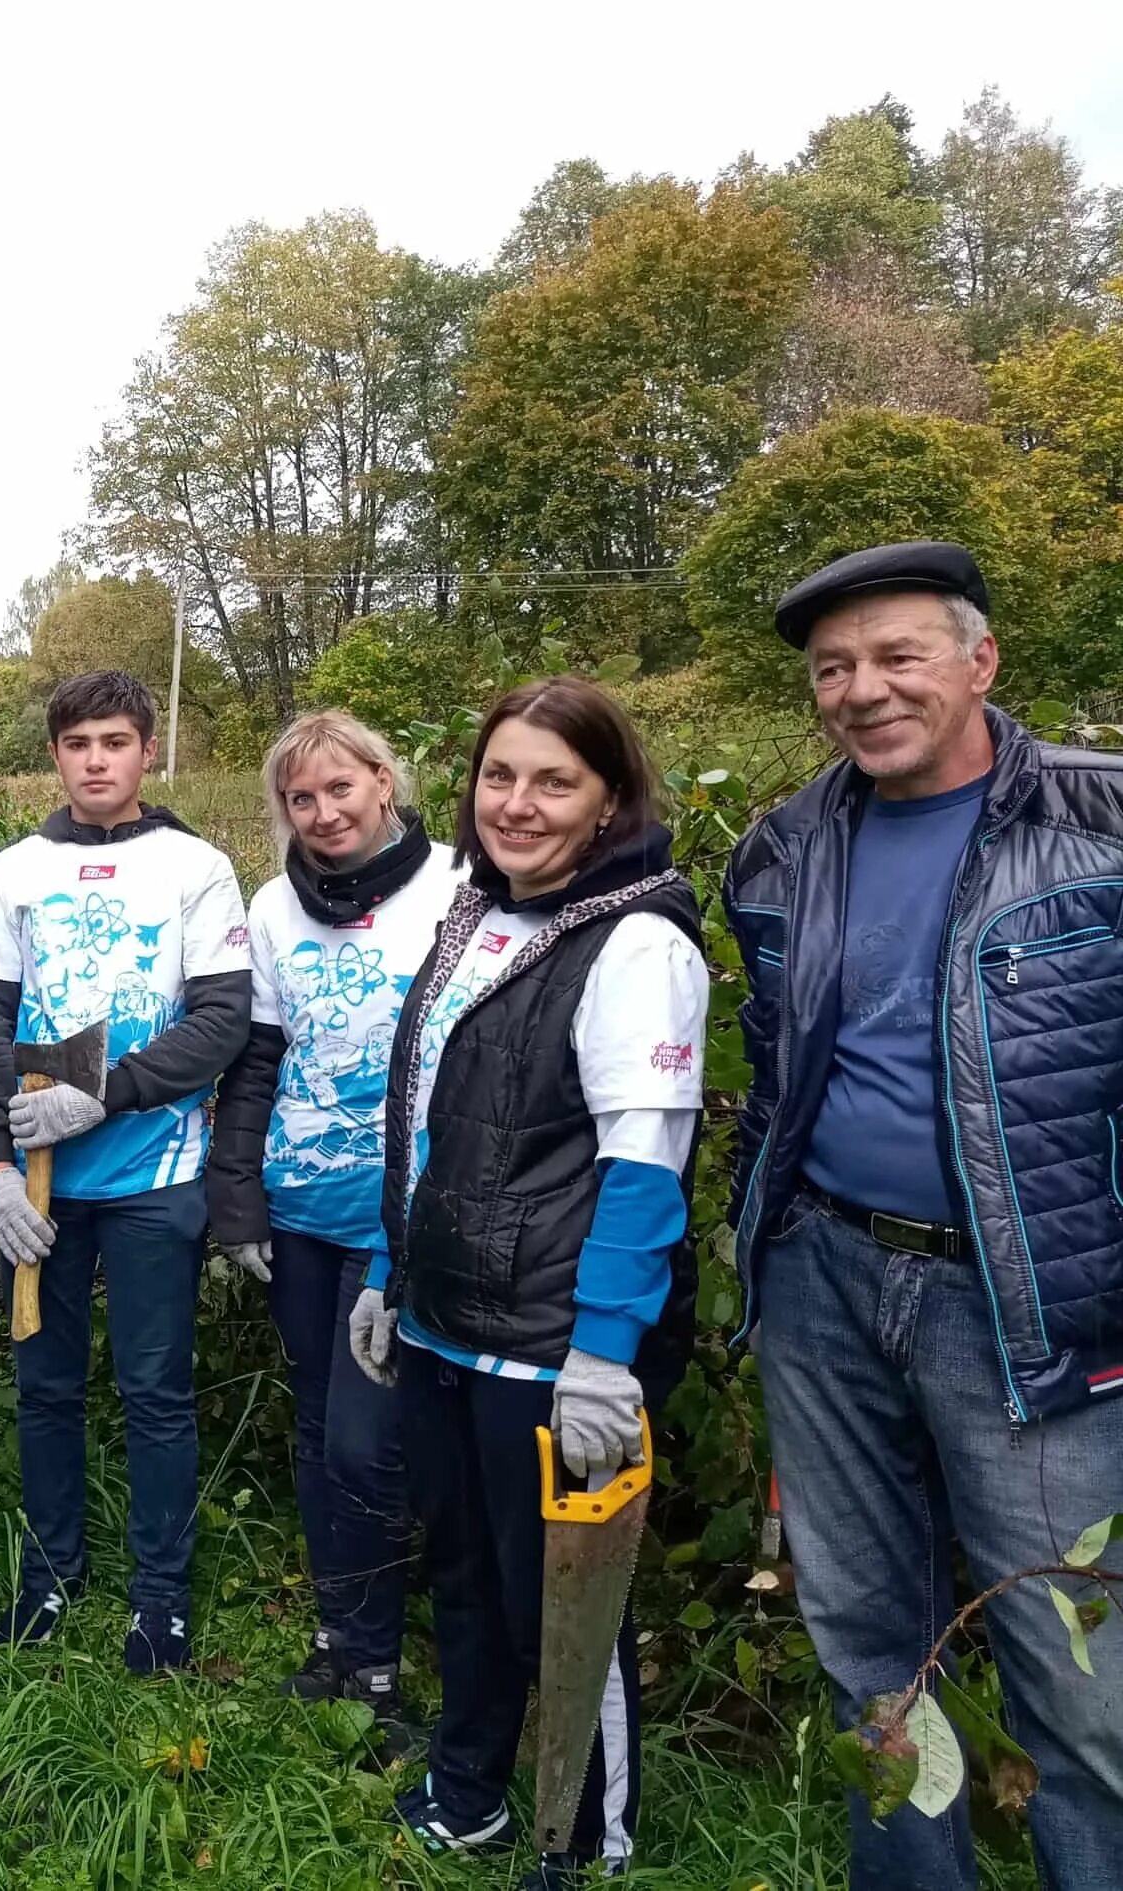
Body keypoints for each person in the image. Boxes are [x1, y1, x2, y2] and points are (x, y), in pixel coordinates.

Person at [723, 541, 1123, 1891]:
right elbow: (775, 1058)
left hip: (1033, 1309)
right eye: (835, 667)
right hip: (824, 1278)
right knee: (868, 1648)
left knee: (1080, 1672)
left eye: (898, 655)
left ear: (980, 660)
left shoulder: (1100, 818)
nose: (863, 689)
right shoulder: (783, 848)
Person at [348, 676, 707, 1890]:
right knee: (457, 1573)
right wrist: (394, 1276)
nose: (519, 803)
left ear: (610, 797)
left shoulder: (635, 941)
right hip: (450, 1321)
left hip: (555, 1347)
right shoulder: (476, 916)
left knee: (561, 1605)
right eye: (500, 775)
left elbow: (644, 1170)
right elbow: (432, 1123)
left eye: (555, 780)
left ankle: (583, 1834)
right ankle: (469, 1793)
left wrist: (604, 1350)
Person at [0, 669, 251, 1673]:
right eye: (77, 742)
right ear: (55, 753)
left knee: (155, 1388)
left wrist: (109, 1089)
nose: (96, 760)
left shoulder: (196, 866)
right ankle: (47, 1574)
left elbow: (220, 1021)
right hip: (39, 1187)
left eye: (115, 741)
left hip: (154, 1175)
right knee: (43, 1385)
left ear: (145, 748)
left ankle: (160, 1598)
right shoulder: (11, 872)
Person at [206, 709, 458, 1752]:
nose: (322, 813)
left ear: (383, 781)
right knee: (316, 1430)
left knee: (369, 1440)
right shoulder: (273, 906)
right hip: (297, 1208)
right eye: (300, 799)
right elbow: (259, 1057)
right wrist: (237, 1192)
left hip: (401, 1216)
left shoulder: (458, 887)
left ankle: (392, 1654)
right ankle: (343, 1638)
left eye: (339, 789)